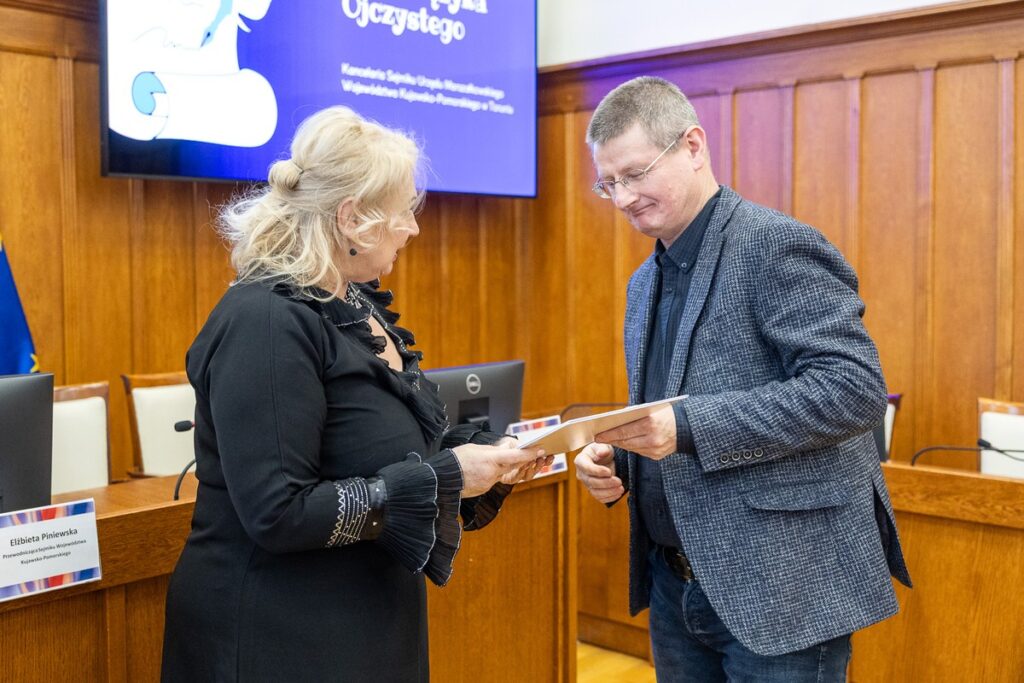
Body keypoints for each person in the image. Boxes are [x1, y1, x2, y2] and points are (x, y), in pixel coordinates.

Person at [161, 106, 548, 682]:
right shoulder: (265, 320)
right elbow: (280, 512)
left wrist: (484, 455)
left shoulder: (351, 306)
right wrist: (447, 476)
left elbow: (383, 445)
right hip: (280, 641)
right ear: (351, 218)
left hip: (364, 623)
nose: (414, 228)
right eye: (404, 212)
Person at [574, 76, 911, 682]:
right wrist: (620, 459)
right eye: (609, 184)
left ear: (694, 146)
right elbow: (668, 418)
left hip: (782, 587)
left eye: (635, 173)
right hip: (673, 583)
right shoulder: (644, 282)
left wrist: (687, 425)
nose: (623, 198)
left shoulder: (775, 246)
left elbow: (853, 387)